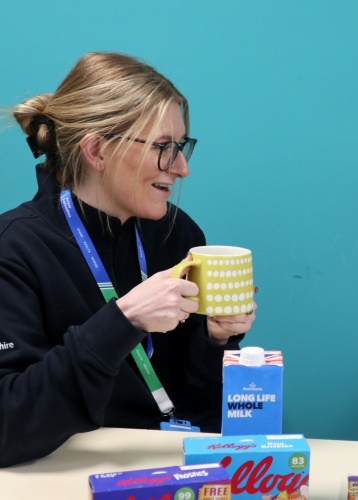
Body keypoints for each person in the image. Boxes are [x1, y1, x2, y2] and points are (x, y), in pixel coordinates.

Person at [0, 52, 256, 467]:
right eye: (163, 147)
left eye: (181, 145)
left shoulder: (177, 233)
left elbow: (199, 405)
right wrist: (124, 320)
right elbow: (8, 429)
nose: (182, 168)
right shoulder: (13, 249)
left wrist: (215, 341)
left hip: (170, 470)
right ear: (97, 150)